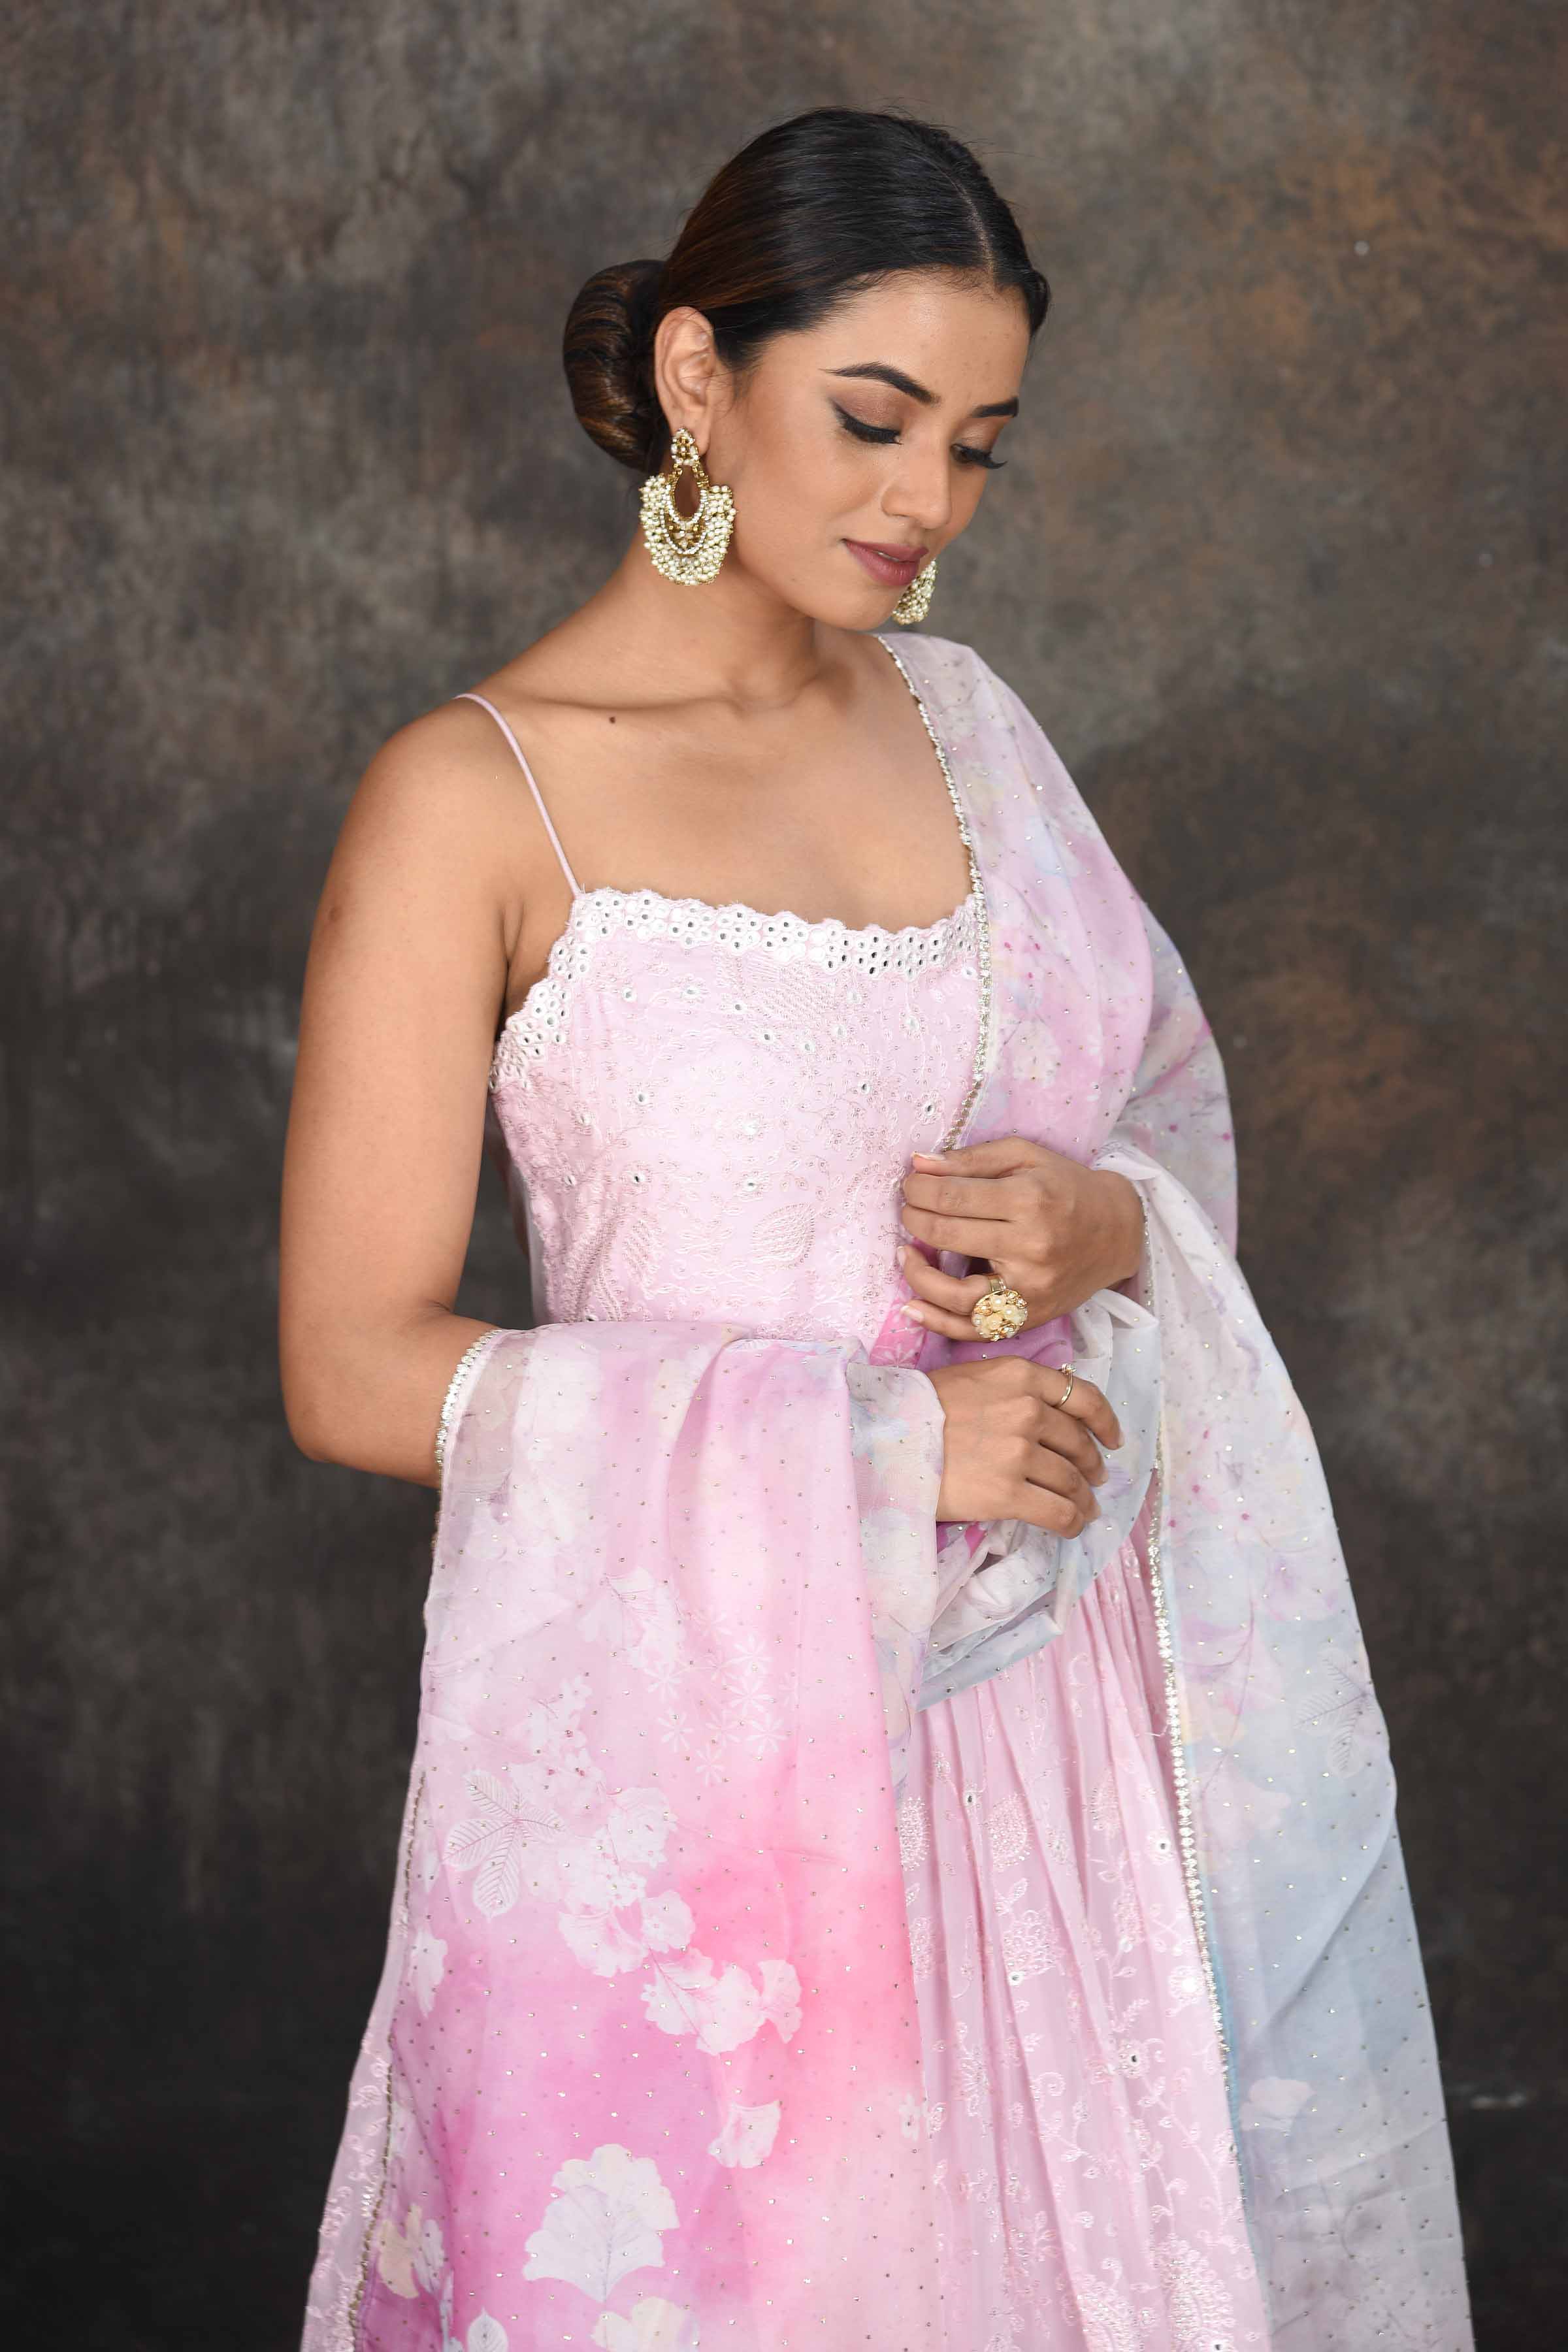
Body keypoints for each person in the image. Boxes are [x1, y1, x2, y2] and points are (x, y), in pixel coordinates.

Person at [281, 107, 1471, 2352]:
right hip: (703, 1781)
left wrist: (1102, 1225)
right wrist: (881, 1448)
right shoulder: (474, 800)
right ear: (699, 375)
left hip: (1050, 1763)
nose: (928, 497)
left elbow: (1159, 1132)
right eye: (875, 417)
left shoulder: (973, 728)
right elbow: (347, 1368)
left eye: (980, 445)